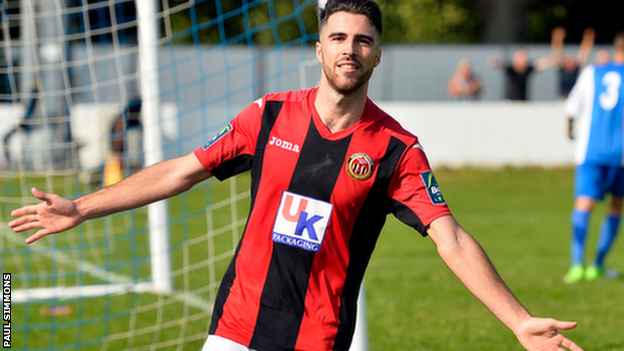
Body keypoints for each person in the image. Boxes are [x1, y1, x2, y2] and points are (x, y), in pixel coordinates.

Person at [9, 1, 584, 350]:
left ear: (378, 55)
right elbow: (181, 171)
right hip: (234, 328)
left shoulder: (396, 149)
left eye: (363, 40)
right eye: (338, 38)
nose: (349, 49)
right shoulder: (269, 115)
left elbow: (450, 237)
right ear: (318, 49)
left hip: (319, 340)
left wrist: (518, 322)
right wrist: (82, 207)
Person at [563, 32, 624, 284]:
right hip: (621, 156)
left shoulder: (592, 73)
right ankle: (597, 264)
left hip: (590, 153)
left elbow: (571, 108)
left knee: (584, 205)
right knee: (615, 206)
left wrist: (569, 129)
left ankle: (577, 265)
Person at [488, 31, 560, 101]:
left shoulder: (528, 69)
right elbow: (500, 65)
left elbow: (539, 64)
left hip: (523, 102)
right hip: (510, 102)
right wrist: (495, 62)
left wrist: (551, 60)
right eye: (521, 57)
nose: (523, 59)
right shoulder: (511, 70)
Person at [551, 27, 595, 99]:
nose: (569, 61)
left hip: (575, 97)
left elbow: (584, 54)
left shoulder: (576, 68)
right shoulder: (562, 69)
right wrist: (557, 39)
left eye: (571, 59)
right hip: (563, 98)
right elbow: (557, 53)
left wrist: (588, 39)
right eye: (568, 60)